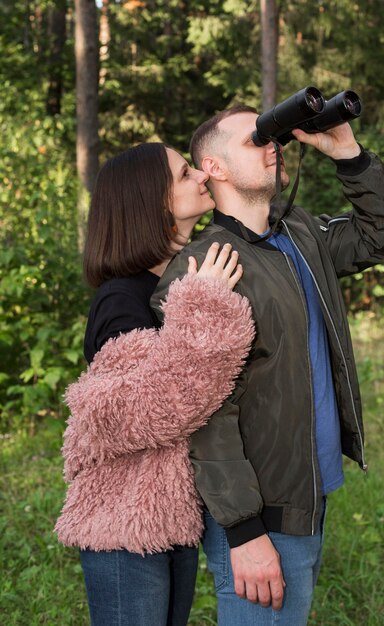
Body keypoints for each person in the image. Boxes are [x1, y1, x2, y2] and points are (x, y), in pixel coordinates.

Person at [150, 108, 384, 625]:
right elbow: (203, 413)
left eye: (273, 137)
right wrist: (245, 531)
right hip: (259, 509)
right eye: (256, 140)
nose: (274, 146)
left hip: (309, 487)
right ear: (215, 167)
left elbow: (382, 231)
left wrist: (348, 154)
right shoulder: (202, 270)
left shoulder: (302, 235)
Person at [54, 142, 255, 626]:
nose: (202, 177)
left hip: (172, 515)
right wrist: (204, 304)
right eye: (186, 174)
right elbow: (144, 410)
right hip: (124, 522)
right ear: (152, 201)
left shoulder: (182, 276)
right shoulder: (121, 297)